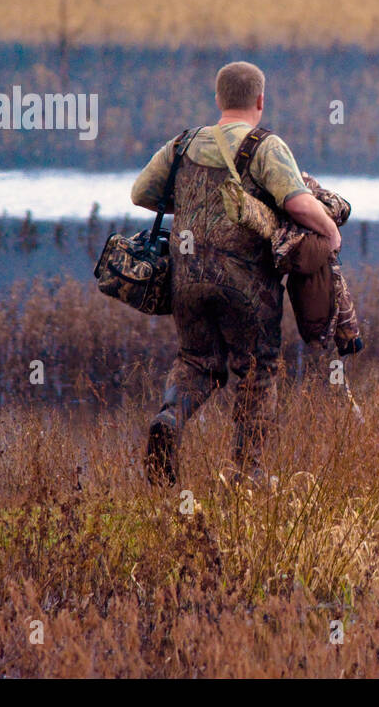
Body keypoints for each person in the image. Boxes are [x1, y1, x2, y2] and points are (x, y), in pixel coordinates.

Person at [131, 61, 341, 484]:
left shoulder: (183, 143)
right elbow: (299, 203)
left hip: (186, 280)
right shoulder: (266, 146)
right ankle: (248, 473)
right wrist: (331, 232)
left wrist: (193, 204)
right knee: (257, 368)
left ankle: (170, 418)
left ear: (218, 99)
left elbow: (141, 195)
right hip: (247, 284)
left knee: (196, 362)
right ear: (260, 101)